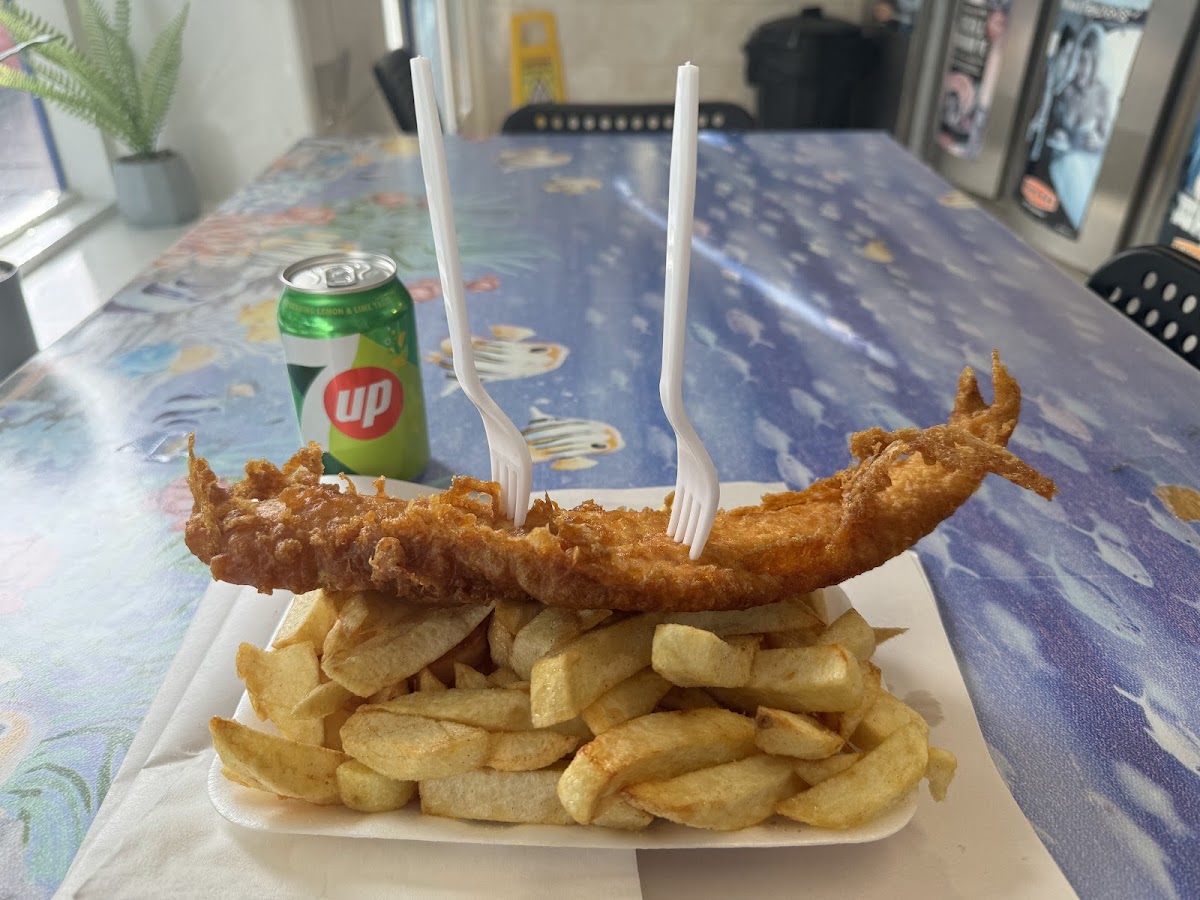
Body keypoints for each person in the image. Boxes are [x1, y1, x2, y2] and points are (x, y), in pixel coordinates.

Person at [1048, 26, 1110, 154]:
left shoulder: (1103, 95)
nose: (1079, 68)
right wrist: (1057, 132)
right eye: (1077, 60)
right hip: (1058, 159)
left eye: (1085, 61)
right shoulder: (1065, 89)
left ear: (1095, 64)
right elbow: (1051, 124)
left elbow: (1106, 143)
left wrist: (1099, 142)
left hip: (1087, 162)